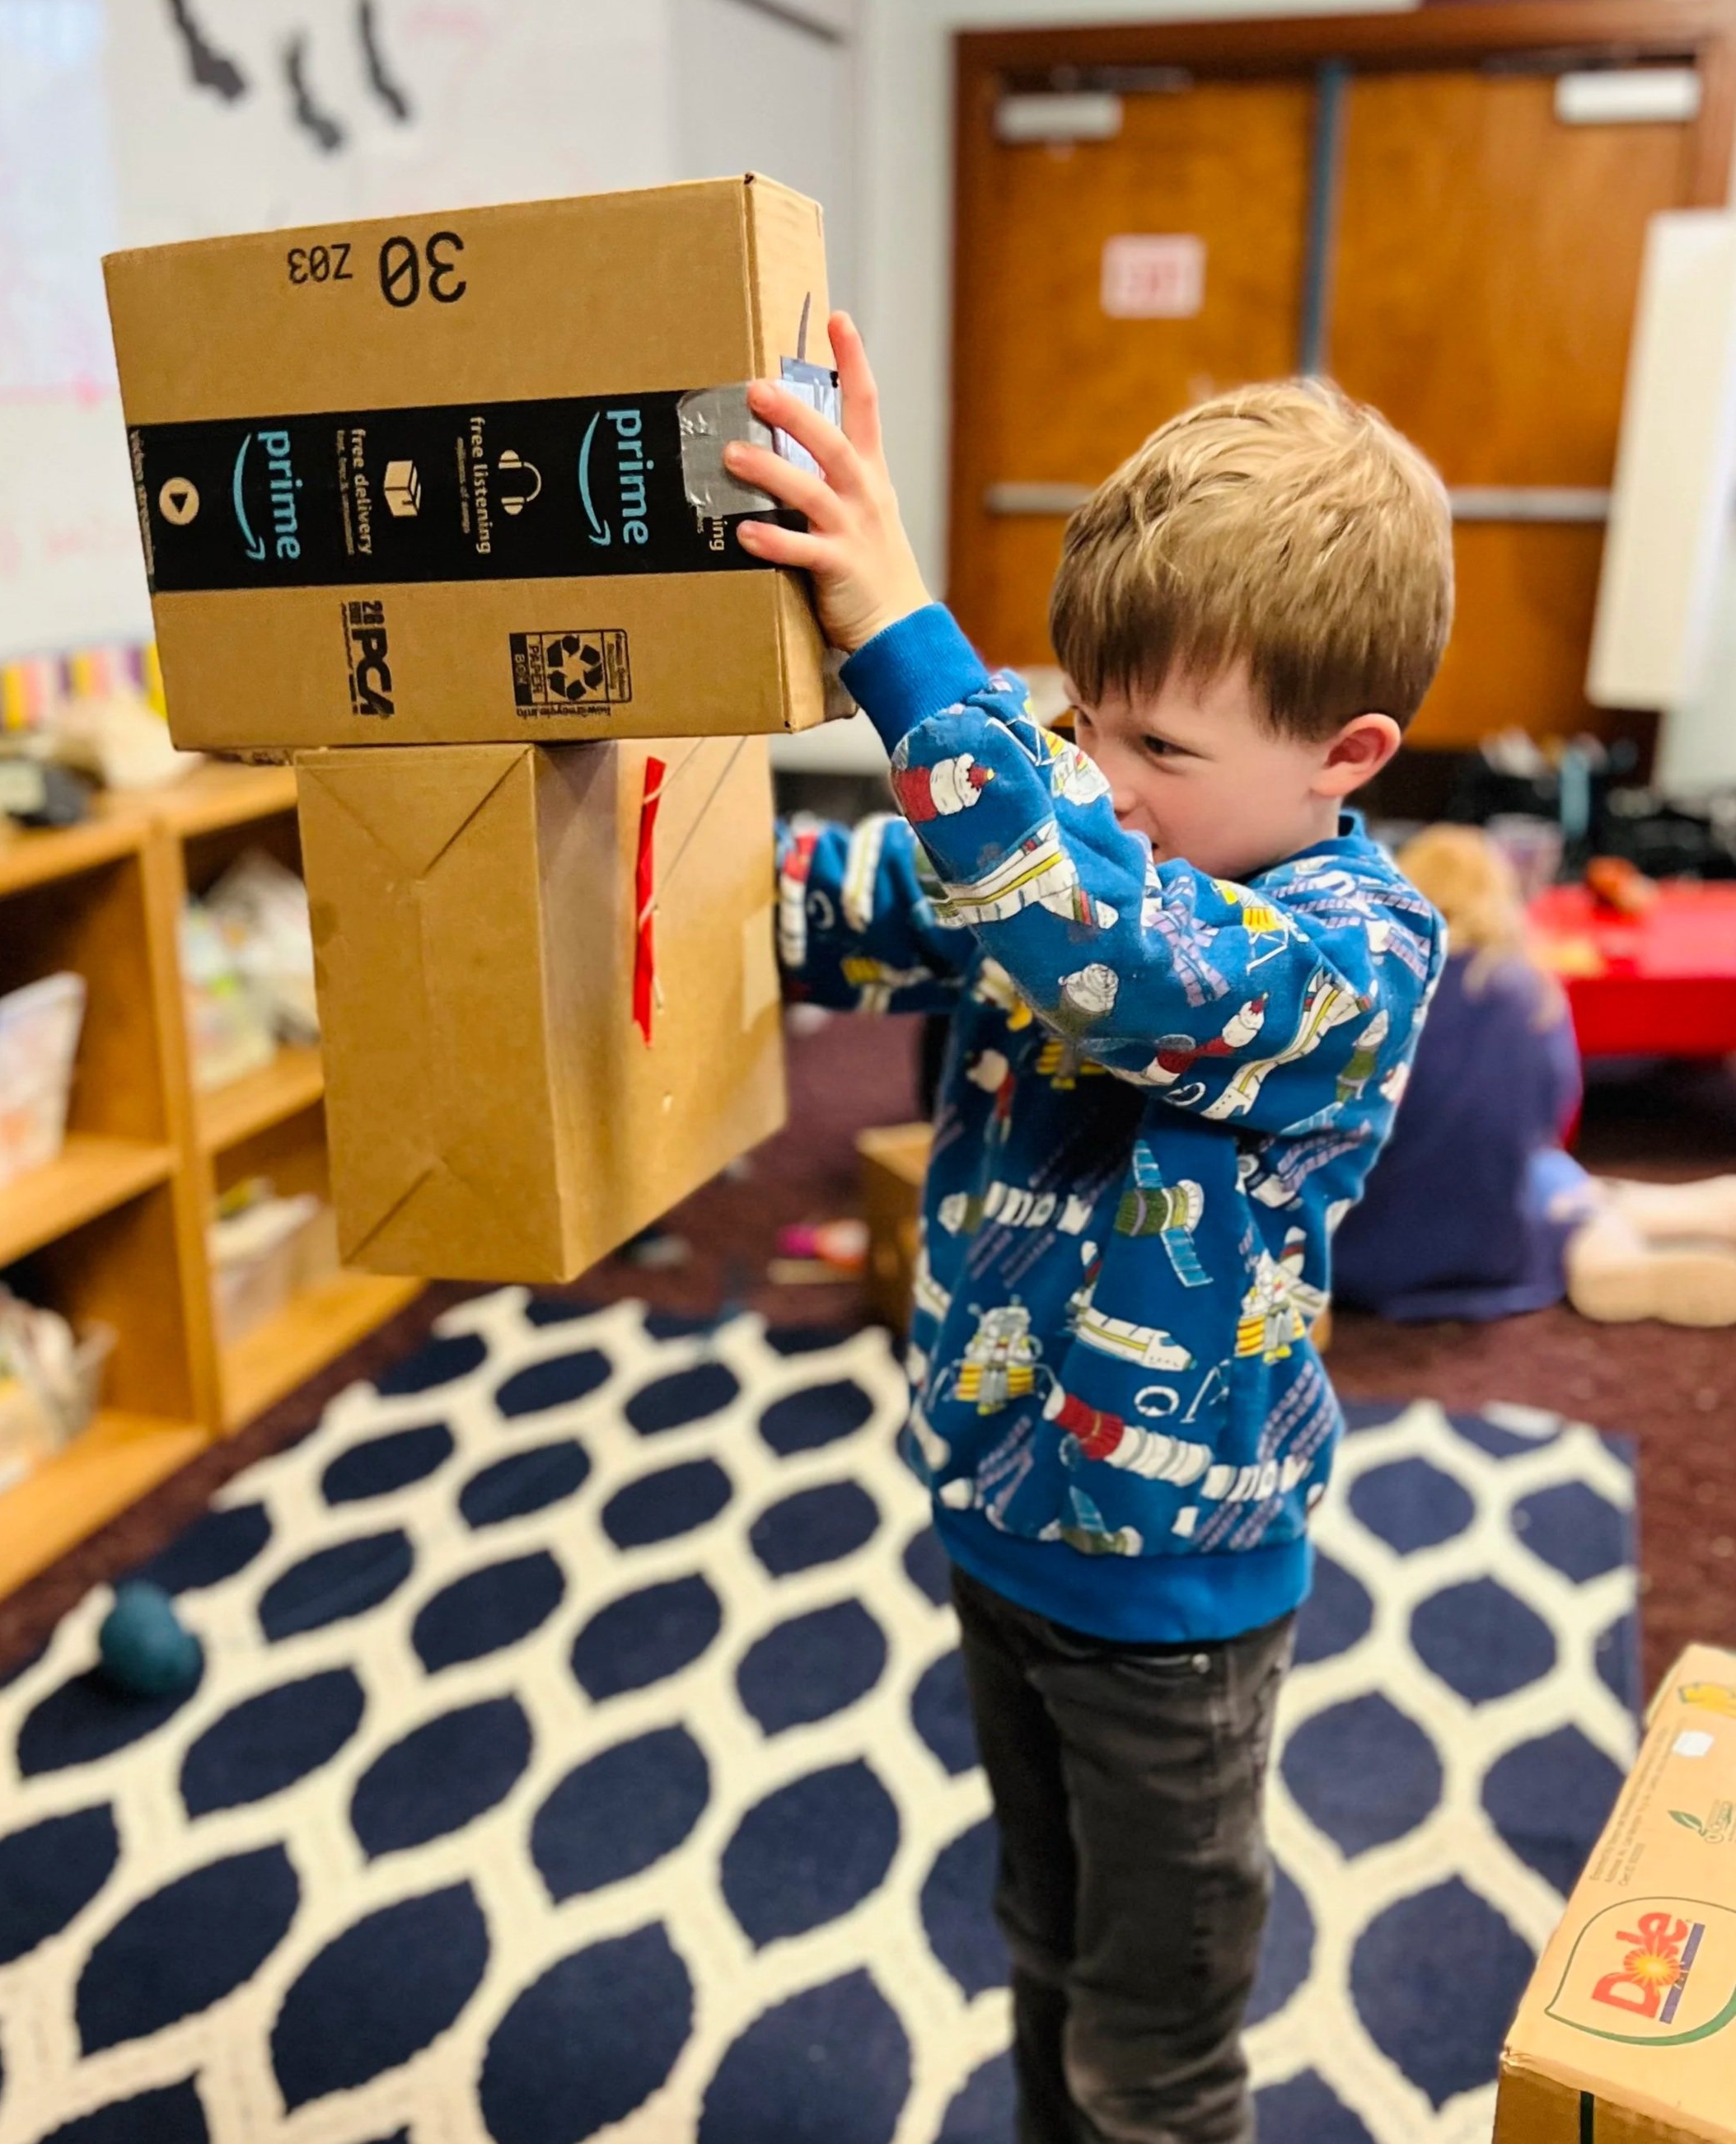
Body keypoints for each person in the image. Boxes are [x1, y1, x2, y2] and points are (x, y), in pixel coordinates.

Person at [734, 321, 1451, 2144]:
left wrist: (906, 637)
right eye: (1075, 719)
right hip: (999, 1517)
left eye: (1156, 741)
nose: (1100, 774)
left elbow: (1112, 948)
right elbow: (858, 902)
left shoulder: (1350, 948)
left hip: (1172, 1599)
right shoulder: (1074, 836)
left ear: (1340, 755)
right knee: (1037, 1947)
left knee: (1151, 2041)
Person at [1334, 822, 1736, 1326]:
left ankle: (1623, 1233)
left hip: (1363, 1244)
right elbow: (1553, 1117)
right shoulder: (1529, 989)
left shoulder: (1372, 987)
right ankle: (1628, 1234)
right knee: (1550, 1179)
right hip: (1492, 1240)